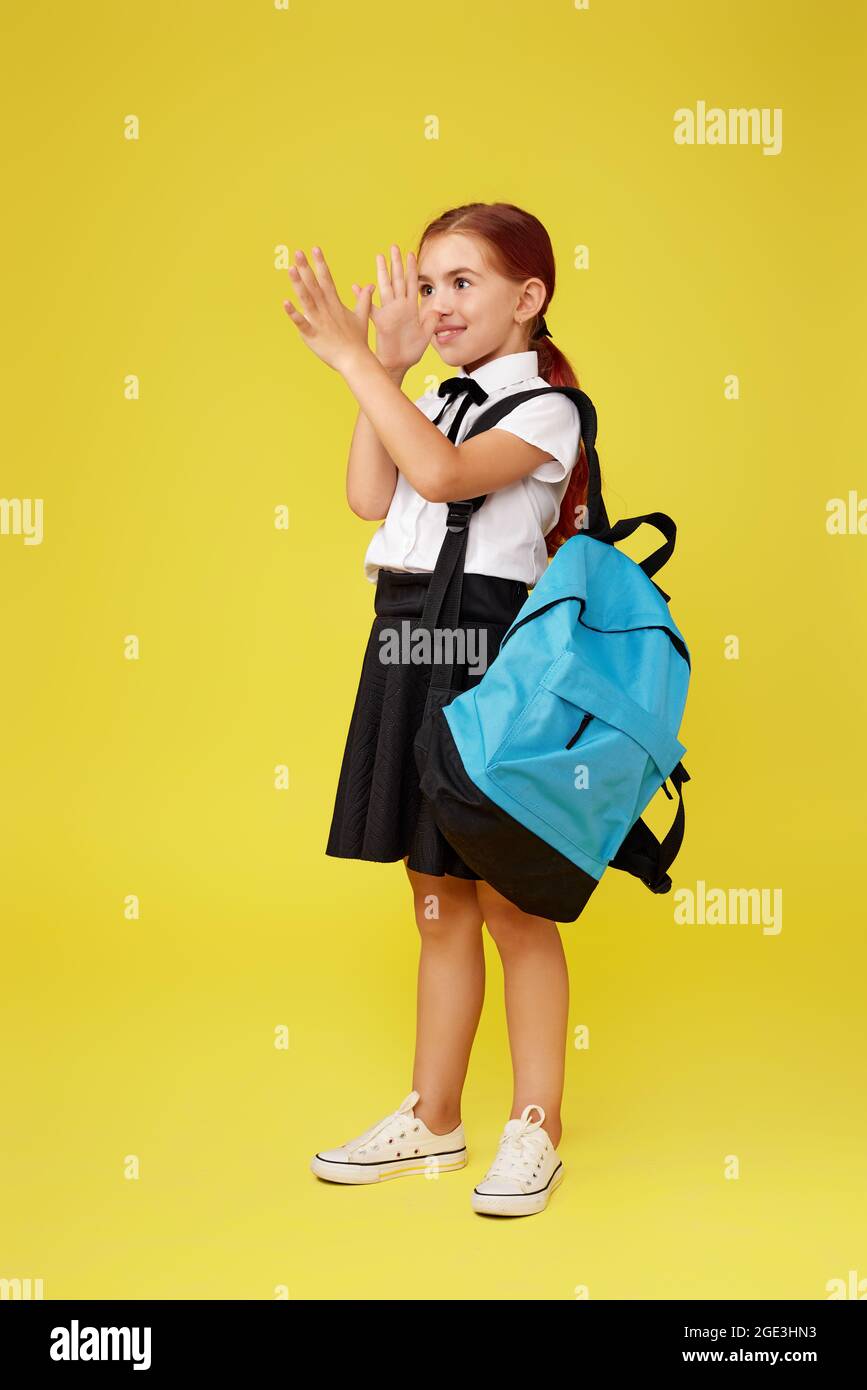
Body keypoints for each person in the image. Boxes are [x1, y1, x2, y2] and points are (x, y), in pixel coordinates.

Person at [283, 202, 593, 1218]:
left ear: (528, 297)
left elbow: (444, 474)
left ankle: (537, 1123)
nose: (439, 301)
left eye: (463, 281)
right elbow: (373, 494)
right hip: (410, 642)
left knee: (510, 897)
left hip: (495, 652)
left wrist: (352, 360)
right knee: (434, 888)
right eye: (428, 282)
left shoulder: (547, 409)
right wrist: (382, 367)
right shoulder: (436, 397)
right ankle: (435, 1111)